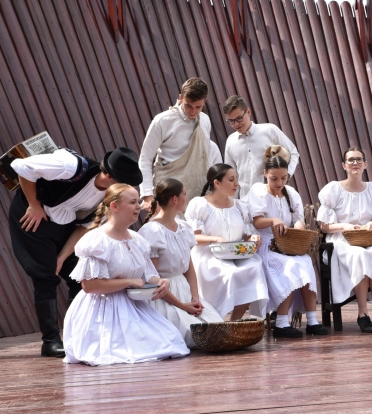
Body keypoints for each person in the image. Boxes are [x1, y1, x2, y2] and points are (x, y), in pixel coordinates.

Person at [8, 146, 142, 358]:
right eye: (123, 182)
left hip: (65, 226)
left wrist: (62, 257)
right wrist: (34, 204)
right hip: (33, 216)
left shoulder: (108, 200)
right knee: (46, 276)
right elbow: (22, 167)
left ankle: (76, 335)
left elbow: (83, 227)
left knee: (77, 274)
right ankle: (50, 341)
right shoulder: (71, 166)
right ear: (108, 175)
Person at [62, 184, 190, 366]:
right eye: (132, 202)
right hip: (102, 310)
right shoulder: (97, 240)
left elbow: (148, 276)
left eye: (138, 201)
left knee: (170, 341)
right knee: (125, 351)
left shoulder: (137, 240)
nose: (139, 206)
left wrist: (162, 282)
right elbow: (90, 286)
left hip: (134, 306)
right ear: (114, 206)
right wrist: (128, 281)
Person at [246, 147, 328, 338]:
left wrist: (298, 227)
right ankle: (282, 322)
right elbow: (257, 222)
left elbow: (297, 219)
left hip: (288, 244)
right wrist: (274, 220)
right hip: (267, 245)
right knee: (291, 266)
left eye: (283, 178)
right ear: (265, 173)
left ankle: (312, 320)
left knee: (306, 262)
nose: (279, 182)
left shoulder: (290, 193)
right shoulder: (258, 191)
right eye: (274, 178)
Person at [139, 179, 224, 347]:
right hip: (163, 295)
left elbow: (188, 267)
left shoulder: (184, 228)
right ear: (175, 199)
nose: (187, 198)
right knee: (187, 333)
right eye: (184, 194)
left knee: (216, 329)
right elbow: (152, 278)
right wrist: (182, 306)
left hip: (184, 290)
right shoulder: (152, 232)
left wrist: (195, 297)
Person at [317, 146, 372, 333]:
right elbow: (324, 226)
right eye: (351, 160)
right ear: (344, 165)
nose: (355, 163)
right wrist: (345, 226)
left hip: (366, 239)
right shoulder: (333, 190)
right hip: (340, 241)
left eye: (359, 159)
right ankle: (362, 314)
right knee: (360, 255)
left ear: (365, 164)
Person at [185, 164, 269, 321]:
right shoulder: (200, 204)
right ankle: (217, 319)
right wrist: (215, 239)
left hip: (238, 255)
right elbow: (193, 238)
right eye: (231, 180)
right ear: (217, 183)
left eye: (236, 179)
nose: (236, 183)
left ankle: (234, 321)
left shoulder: (240, 206)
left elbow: (246, 233)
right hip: (209, 256)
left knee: (254, 270)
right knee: (230, 274)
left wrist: (252, 238)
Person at [139, 77, 223, 209]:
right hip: (169, 193)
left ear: (204, 102)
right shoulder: (163, 120)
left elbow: (205, 158)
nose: (193, 111)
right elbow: (145, 157)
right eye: (188, 105)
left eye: (198, 107)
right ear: (181, 98)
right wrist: (147, 195)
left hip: (199, 191)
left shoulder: (205, 120)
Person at [222, 95, 300, 199]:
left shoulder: (269, 130)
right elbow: (230, 177)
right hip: (247, 203)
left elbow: (293, 153)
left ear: (248, 112)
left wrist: (286, 176)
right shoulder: (230, 141)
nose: (236, 124)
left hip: (274, 198)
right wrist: (233, 205)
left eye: (239, 118)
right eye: (231, 121)